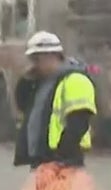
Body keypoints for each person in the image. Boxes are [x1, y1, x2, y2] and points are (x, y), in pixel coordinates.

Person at [12, 31, 98, 169]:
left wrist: (62, 156)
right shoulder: (44, 82)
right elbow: (24, 106)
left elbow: (79, 122)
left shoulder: (75, 80)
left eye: (36, 60)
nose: (34, 65)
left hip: (64, 162)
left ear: (50, 56)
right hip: (44, 160)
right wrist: (26, 80)